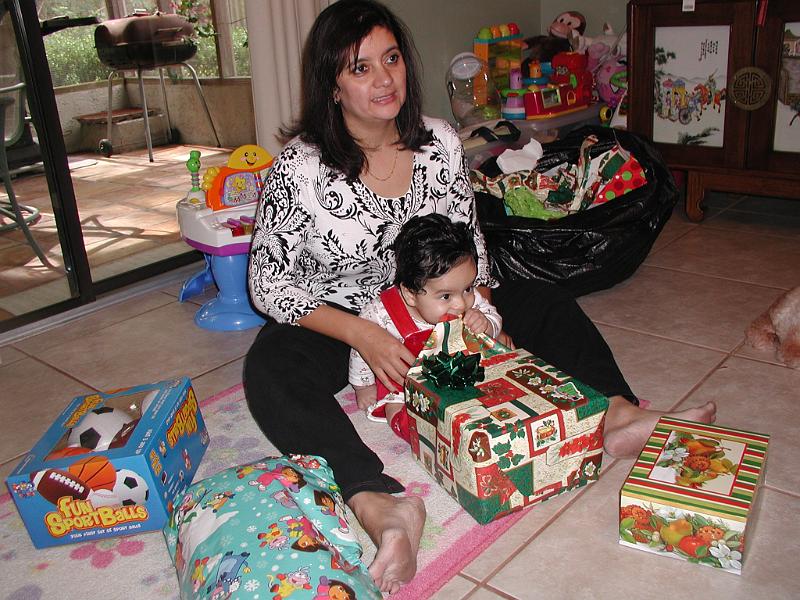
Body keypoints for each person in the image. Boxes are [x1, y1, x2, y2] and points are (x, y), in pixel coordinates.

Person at [244, 0, 716, 593]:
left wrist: (482, 315)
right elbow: (268, 285)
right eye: (360, 68)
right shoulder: (301, 166)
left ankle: (616, 414)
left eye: (391, 59)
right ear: (331, 85)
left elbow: (473, 253)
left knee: (544, 301)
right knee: (269, 364)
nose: (384, 79)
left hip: (444, 309)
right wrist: (364, 333)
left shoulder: (440, 143)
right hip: (346, 325)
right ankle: (377, 500)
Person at [349, 213, 502, 438]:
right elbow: (361, 349)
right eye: (446, 296)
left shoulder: (468, 301)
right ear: (410, 295)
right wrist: (362, 386)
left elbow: (492, 317)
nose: (461, 303)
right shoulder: (381, 313)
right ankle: (412, 429)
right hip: (405, 381)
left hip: (457, 371)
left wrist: (487, 324)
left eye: (468, 289)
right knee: (397, 404)